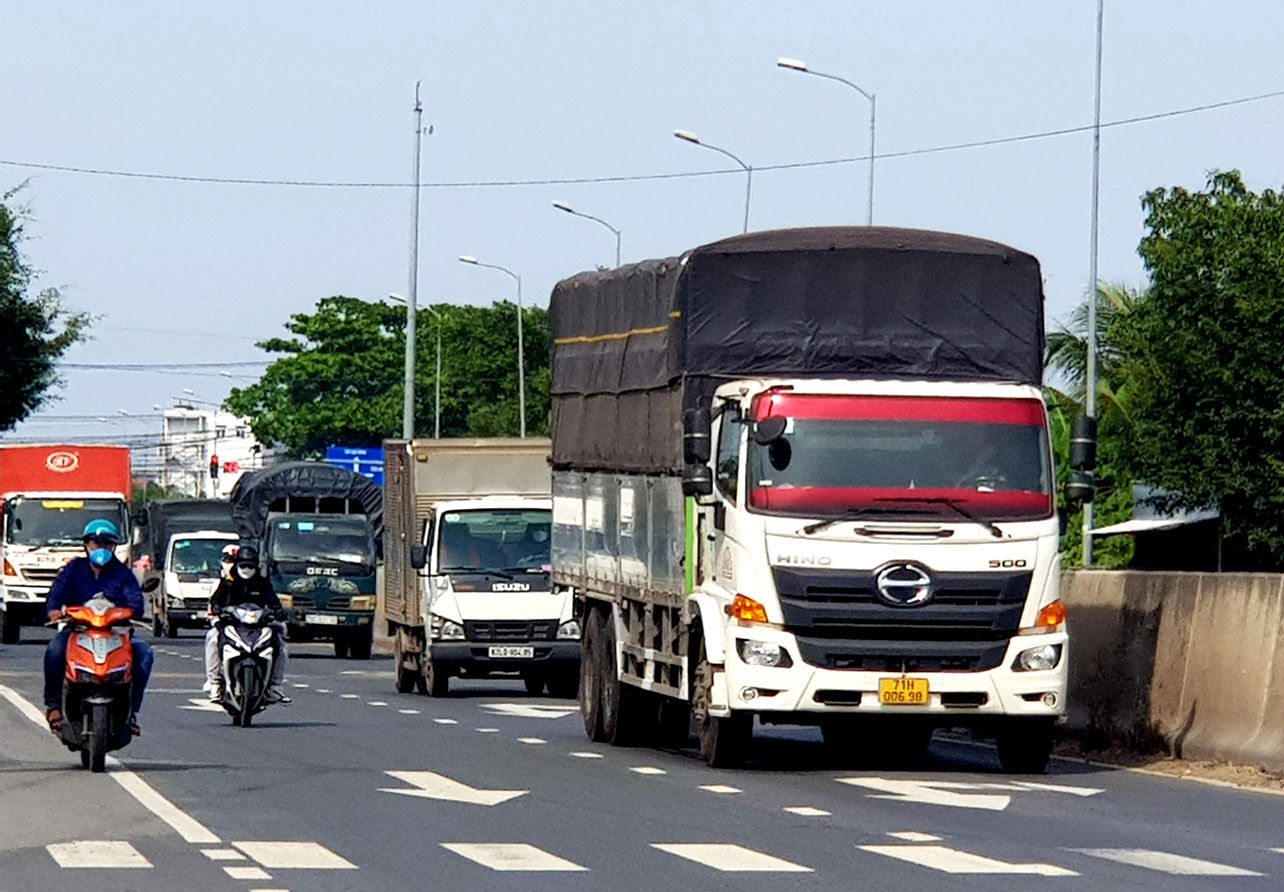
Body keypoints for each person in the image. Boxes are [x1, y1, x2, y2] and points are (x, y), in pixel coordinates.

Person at [44, 519, 154, 736]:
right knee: (55, 650)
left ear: (113, 547)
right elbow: (56, 596)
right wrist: (54, 611)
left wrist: (131, 612)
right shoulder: (74, 569)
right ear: (86, 545)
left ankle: (131, 711)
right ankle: (54, 706)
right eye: (96, 543)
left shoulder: (122, 573)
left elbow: (135, 603)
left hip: (115, 634)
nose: (100, 548)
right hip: (78, 632)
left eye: (106, 544)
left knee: (144, 654)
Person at [204, 544, 290, 704]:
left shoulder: (262, 582)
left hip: (258, 626)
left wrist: (278, 612)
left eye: (250, 565)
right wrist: (218, 609)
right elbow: (217, 600)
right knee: (212, 638)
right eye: (243, 564)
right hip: (231, 625)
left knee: (281, 645)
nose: (246, 568)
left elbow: (272, 601)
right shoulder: (228, 582)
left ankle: (275, 686)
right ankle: (214, 683)